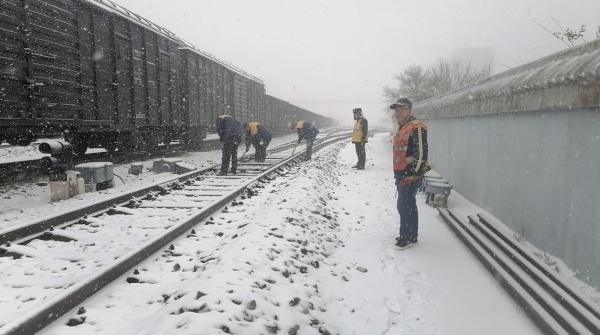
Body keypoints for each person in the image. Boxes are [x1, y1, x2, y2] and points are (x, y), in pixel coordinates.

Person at [390, 98, 429, 249]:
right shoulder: (403, 126)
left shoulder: (416, 127)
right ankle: (412, 235)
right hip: (402, 174)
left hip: (410, 175)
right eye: (396, 110)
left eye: (401, 109)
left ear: (410, 110)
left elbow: (421, 154)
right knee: (409, 205)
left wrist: (414, 174)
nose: (398, 112)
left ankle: (405, 238)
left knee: (403, 205)